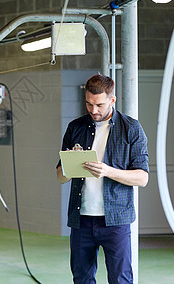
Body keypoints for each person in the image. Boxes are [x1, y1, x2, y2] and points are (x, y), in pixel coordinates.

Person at [56, 74, 149, 284]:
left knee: (120, 279)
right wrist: (71, 167)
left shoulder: (131, 129)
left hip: (116, 221)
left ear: (112, 100)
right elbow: (60, 177)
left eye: (99, 104)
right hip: (81, 219)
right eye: (88, 103)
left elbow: (142, 178)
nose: (93, 110)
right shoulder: (75, 127)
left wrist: (107, 171)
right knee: (81, 279)